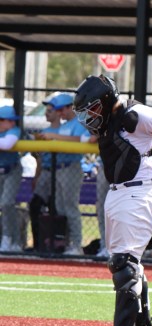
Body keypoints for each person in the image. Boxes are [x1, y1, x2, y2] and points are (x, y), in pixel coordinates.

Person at [73, 74, 152, 326]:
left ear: (107, 100)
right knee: (128, 262)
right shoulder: (112, 120)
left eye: (93, 109)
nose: (90, 117)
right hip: (121, 191)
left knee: (124, 264)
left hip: (138, 191)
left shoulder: (133, 114)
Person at [37, 93, 91, 255]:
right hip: (58, 168)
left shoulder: (80, 121)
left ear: (70, 107)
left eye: (61, 109)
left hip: (71, 168)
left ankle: (76, 244)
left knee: (70, 207)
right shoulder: (64, 125)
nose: (59, 113)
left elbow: (83, 140)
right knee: (60, 208)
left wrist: (53, 136)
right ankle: (65, 242)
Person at [29, 99, 62, 252]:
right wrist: (37, 177)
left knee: (57, 208)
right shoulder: (44, 132)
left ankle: (57, 244)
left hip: (60, 173)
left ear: (59, 112)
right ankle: (38, 244)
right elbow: (40, 159)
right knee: (35, 205)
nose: (46, 114)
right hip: (46, 173)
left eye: (50, 111)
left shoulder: (64, 131)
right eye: (46, 111)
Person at [0, 106, 24, 252]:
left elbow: (7, 144)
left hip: (12, 170)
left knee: (7, 203)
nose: (13, 123)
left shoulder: (14, 130)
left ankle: (9, 238)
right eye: (9, 121)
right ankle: (11, 239)